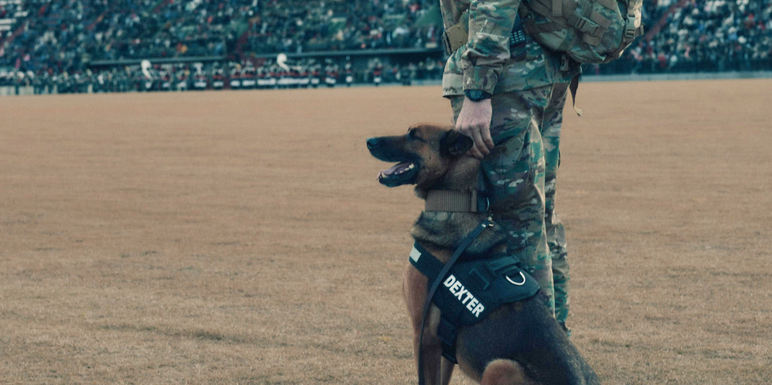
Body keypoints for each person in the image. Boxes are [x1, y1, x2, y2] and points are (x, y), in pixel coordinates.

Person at [439, 0, 580, 338]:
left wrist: (478, 89)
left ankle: (538, 358)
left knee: (515, 225)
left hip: (506, 78)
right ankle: (558, 351)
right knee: (538, 216)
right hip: (542, 66)